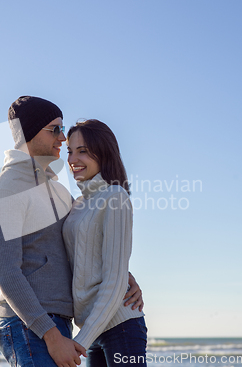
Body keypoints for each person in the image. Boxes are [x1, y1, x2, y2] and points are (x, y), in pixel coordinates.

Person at [0, 96, 143, 367]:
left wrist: (122, 274)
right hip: (30, 327)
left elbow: (83, 244)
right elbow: (7, 273)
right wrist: (51, 335)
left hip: (63, 323)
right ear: (29, 132)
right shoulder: (4, 189)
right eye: (54, 129)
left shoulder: (60, 192)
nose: (62, 139)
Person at [63, 119, 147, 367]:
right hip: (93, 328)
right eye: (70, 151)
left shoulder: (115, 196)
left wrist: (82, 339)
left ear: (103, 153)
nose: (72, 159)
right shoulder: (77, 204)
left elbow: (113, 278)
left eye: (83, 151)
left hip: (120, 326)